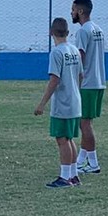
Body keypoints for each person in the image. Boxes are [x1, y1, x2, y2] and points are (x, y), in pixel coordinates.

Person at [34, 17, 82, 188]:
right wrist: (75, 90)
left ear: (50, 32)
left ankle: (64, 177)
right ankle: (74, 175)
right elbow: (80, 75)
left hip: (63, 103)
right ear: (68, 33)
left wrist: (42, 104)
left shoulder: (56, 52)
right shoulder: (74, 50)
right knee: (69, 139)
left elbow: (54, 80)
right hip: (75, 101)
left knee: (62, 140)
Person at [71, 0, 106, 174]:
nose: (72, 13)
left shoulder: (83, 32)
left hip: (87, 83)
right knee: (86, 122)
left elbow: (80, 57)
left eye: (73, 9)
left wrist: (74, 81)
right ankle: (81, 161)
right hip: (99, 82)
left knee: (84, 124)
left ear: (81, 11)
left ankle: (93, 164)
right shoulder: (98, 29)